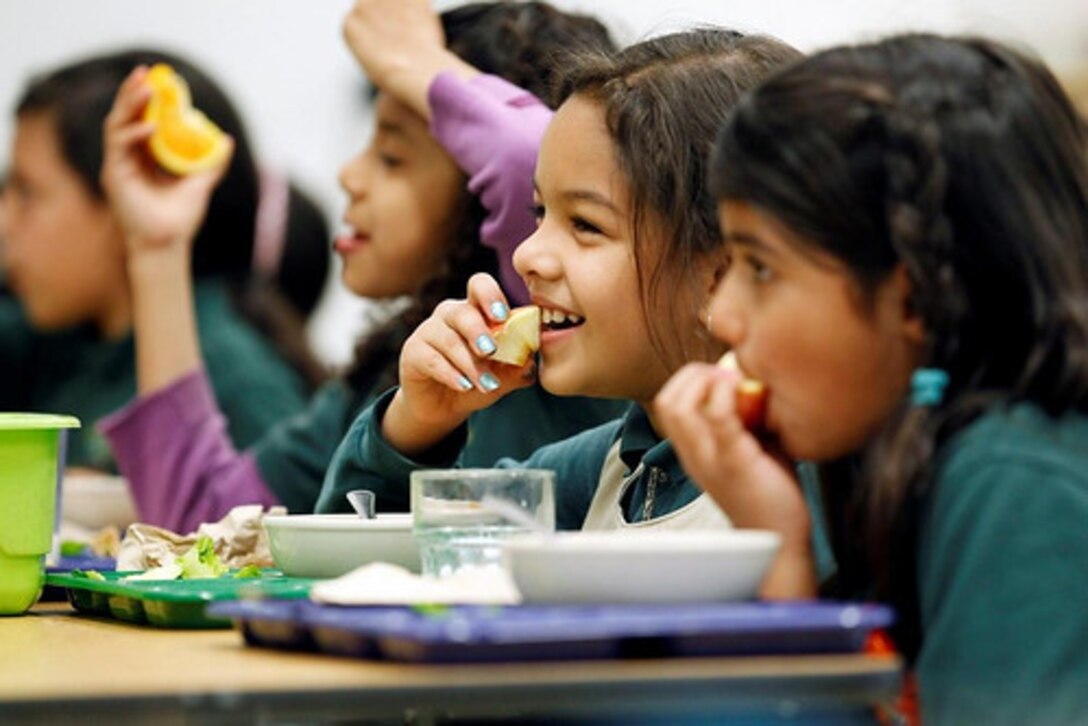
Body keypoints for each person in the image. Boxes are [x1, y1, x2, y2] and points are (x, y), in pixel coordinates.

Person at [655, 33, 1088, 723]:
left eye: (760, 267)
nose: (724, 317)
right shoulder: (918, 449)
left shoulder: (1016, 481)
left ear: (915, 296)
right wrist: (778, 547)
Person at [100, 0, 626, 532]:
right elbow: (202, 520)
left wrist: (412, 60)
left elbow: (537, 155)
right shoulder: (397, 368)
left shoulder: (567, 333)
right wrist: (156, 248)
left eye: (392, 157)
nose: (349, 176)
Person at [317, 27, 804, 532]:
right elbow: (362, 565)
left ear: (724, 275)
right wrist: (416, 423)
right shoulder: (600, 473)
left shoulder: (814, 473)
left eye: (586, 225)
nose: (527, 254)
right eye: (539, 211)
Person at [0, 49, 314, 471]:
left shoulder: (238, 385)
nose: (4, 222)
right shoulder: (55, 345)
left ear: (125, 195)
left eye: (27, 192)